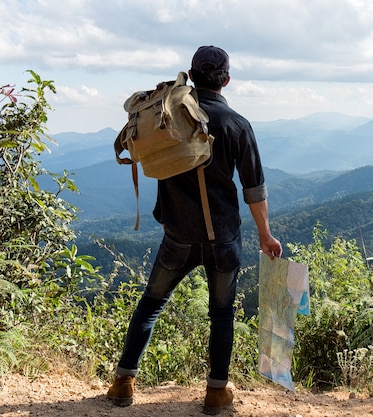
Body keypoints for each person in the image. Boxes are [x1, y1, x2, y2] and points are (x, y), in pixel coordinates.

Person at [106, 45, 283, 415]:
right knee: (221, 313)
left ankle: (123, 382)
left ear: (190, 74)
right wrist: (265, 235)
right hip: (223, 238)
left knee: (151, 304)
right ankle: (216, 392)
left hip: (177, 235)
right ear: (227, 80)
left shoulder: (168, 116)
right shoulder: (237, 125)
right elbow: (254, 189)